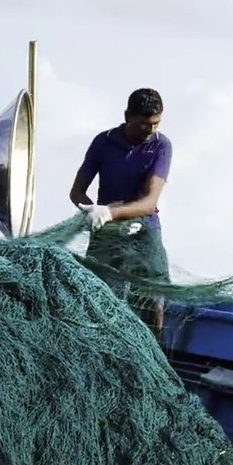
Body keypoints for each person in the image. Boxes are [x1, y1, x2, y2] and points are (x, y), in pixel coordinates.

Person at [69, 88, 174, 337]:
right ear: (127, 116)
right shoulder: (103, 142)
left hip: (144, 230)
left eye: (155, 124)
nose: (149, 131)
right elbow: (77, 192)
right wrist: (91, 209)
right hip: (105, 232)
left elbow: (150, 202)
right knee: (100, 296)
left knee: (153, 300)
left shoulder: (161, 145)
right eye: (142, 124)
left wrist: (112, 213)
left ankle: (153, 354)